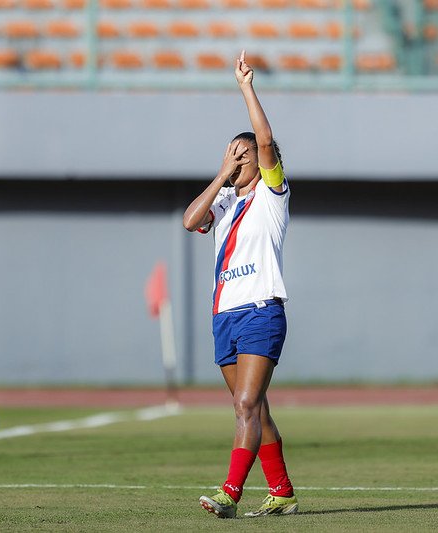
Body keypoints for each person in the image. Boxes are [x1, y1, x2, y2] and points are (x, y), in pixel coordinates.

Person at [182, 50, 297, 519]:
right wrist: (220, 175)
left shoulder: (273, 194)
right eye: (231, 151)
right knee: (256, 409)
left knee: (246, 404)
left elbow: (265, 139)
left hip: (261, 311)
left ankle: (230, 492)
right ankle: (283, 491)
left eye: (243, 153)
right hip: (225, 316)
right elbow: (191, 221)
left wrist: (246, 87)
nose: (238, 158)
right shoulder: (224, 200)